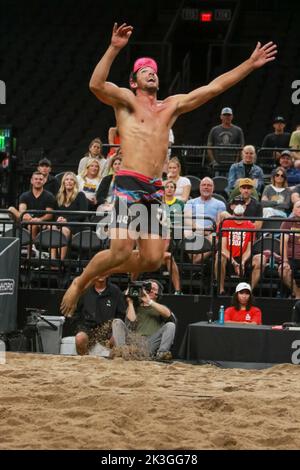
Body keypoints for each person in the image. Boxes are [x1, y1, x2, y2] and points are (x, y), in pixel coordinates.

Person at [61, 22, 277, 315]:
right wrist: (114, 48)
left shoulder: (170, 107)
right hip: (128, 182)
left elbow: (213, 88)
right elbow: (96, 85)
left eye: (154, 71)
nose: (152, 72)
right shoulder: (125, 101)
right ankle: (81, 281)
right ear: (135, 81)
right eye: (145, 70)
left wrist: (249, 64)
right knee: (121, 250)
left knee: (152, 259)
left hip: (152, 188)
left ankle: (104, 269)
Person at [112, 279, 176, 360]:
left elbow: (168, 314)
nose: (150, 290)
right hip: (134, 342)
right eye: (148, 288)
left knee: (170, 325)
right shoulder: (135, 306)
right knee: (117, 322)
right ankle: (121, 352)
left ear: (158, 294)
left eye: (154, 289)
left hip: (150, 343)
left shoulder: (159, 308)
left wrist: (149, 301)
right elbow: (132, 321)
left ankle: (162, 354)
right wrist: (130, 302)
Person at [73, 275, 127, 355]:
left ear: (108, 273)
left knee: (116, 339)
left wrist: (114, 333)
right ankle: (84, 360)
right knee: (80, 338)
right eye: (99, 271)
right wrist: (80, 328)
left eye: (104, 271)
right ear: (94, 272)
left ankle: (115, 362)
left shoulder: (115, 291)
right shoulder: (84, 290)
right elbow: (76, 313)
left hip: (108, 330)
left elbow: (121, 314)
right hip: (88, 329)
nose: (101, 274)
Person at [8, 171, 56, 240]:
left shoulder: (49, 196)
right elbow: (22, 211)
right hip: (26, 220)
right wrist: (27, 217)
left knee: (33, 225)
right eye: (36, 179)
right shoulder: (24, 195)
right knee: (11, 209)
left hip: (41, 223)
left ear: (44, 181)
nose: (38, 181)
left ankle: (31, 247)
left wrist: (39, 219)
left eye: (40, 179)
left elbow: (49, 215)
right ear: (31, 181)